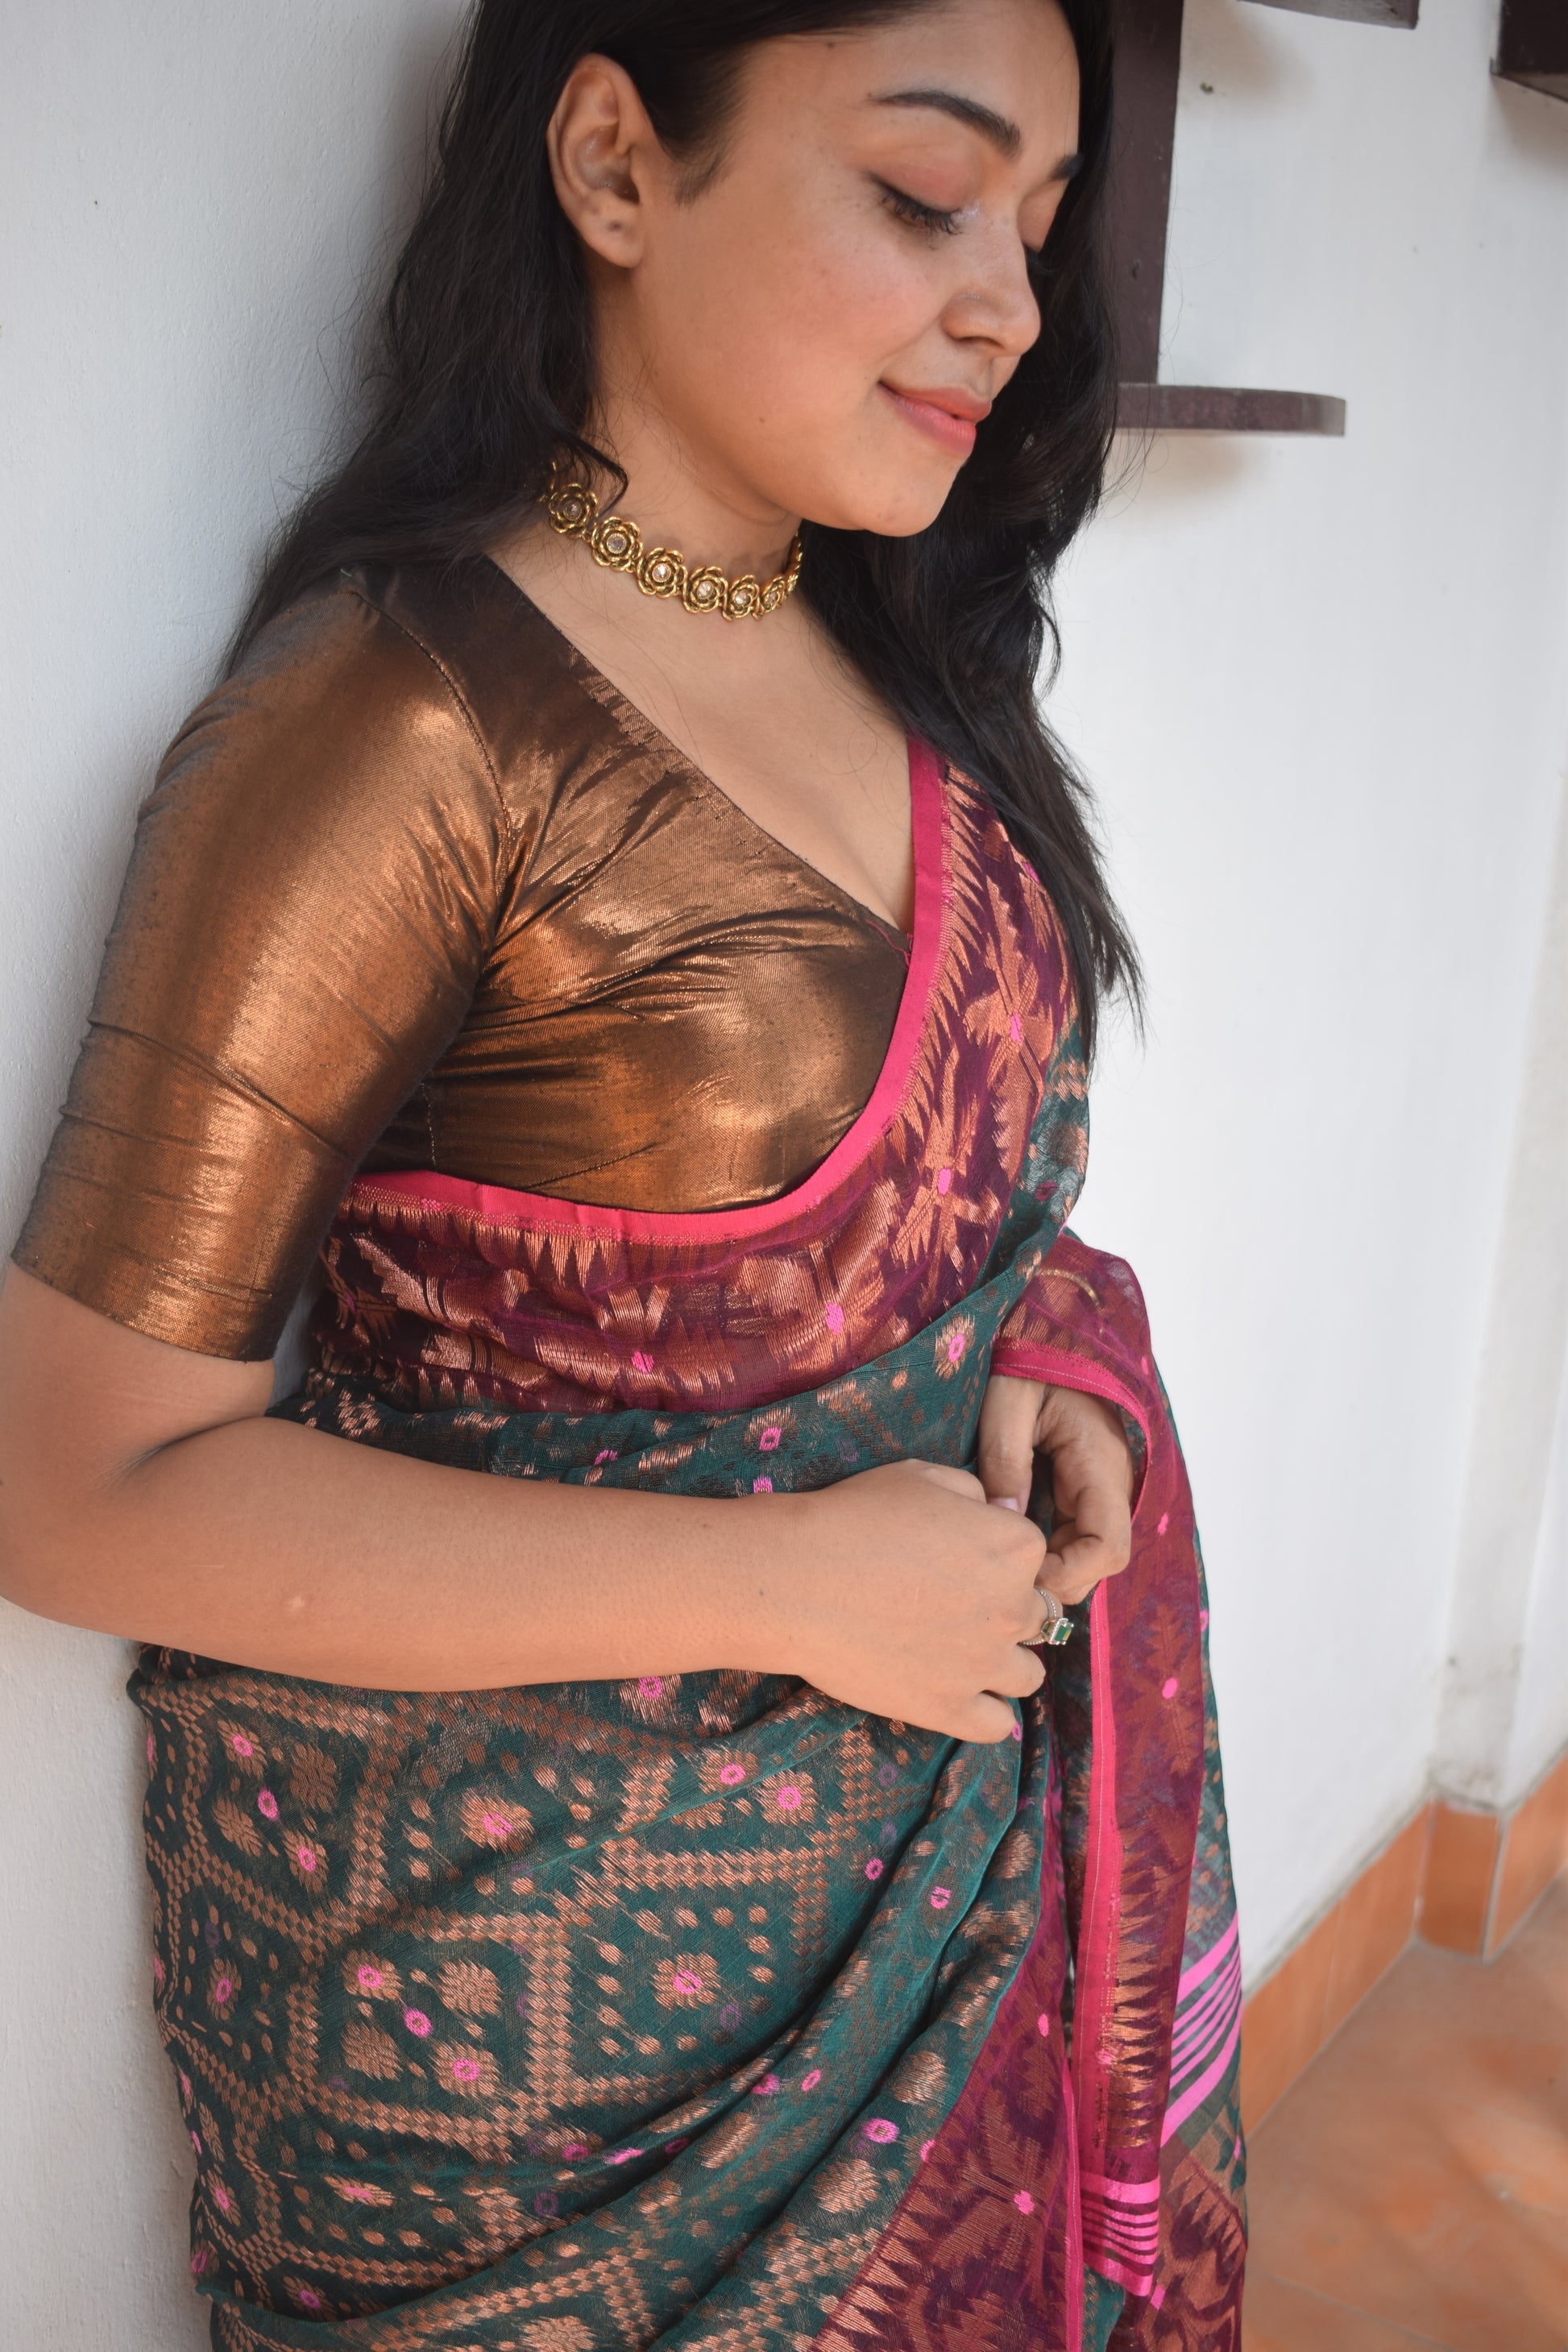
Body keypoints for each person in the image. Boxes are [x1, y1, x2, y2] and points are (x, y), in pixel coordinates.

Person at [0, 2, 1244, 2345]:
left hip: (927, 1891)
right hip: (527, 2092)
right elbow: (72, 1490)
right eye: (923, 195)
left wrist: (1036, 1352)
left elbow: (944, 1222)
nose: (1006, 304)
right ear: (610, 164)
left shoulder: (906, 667)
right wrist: (791, 1591)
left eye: (1036, 226)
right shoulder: (395, 726)